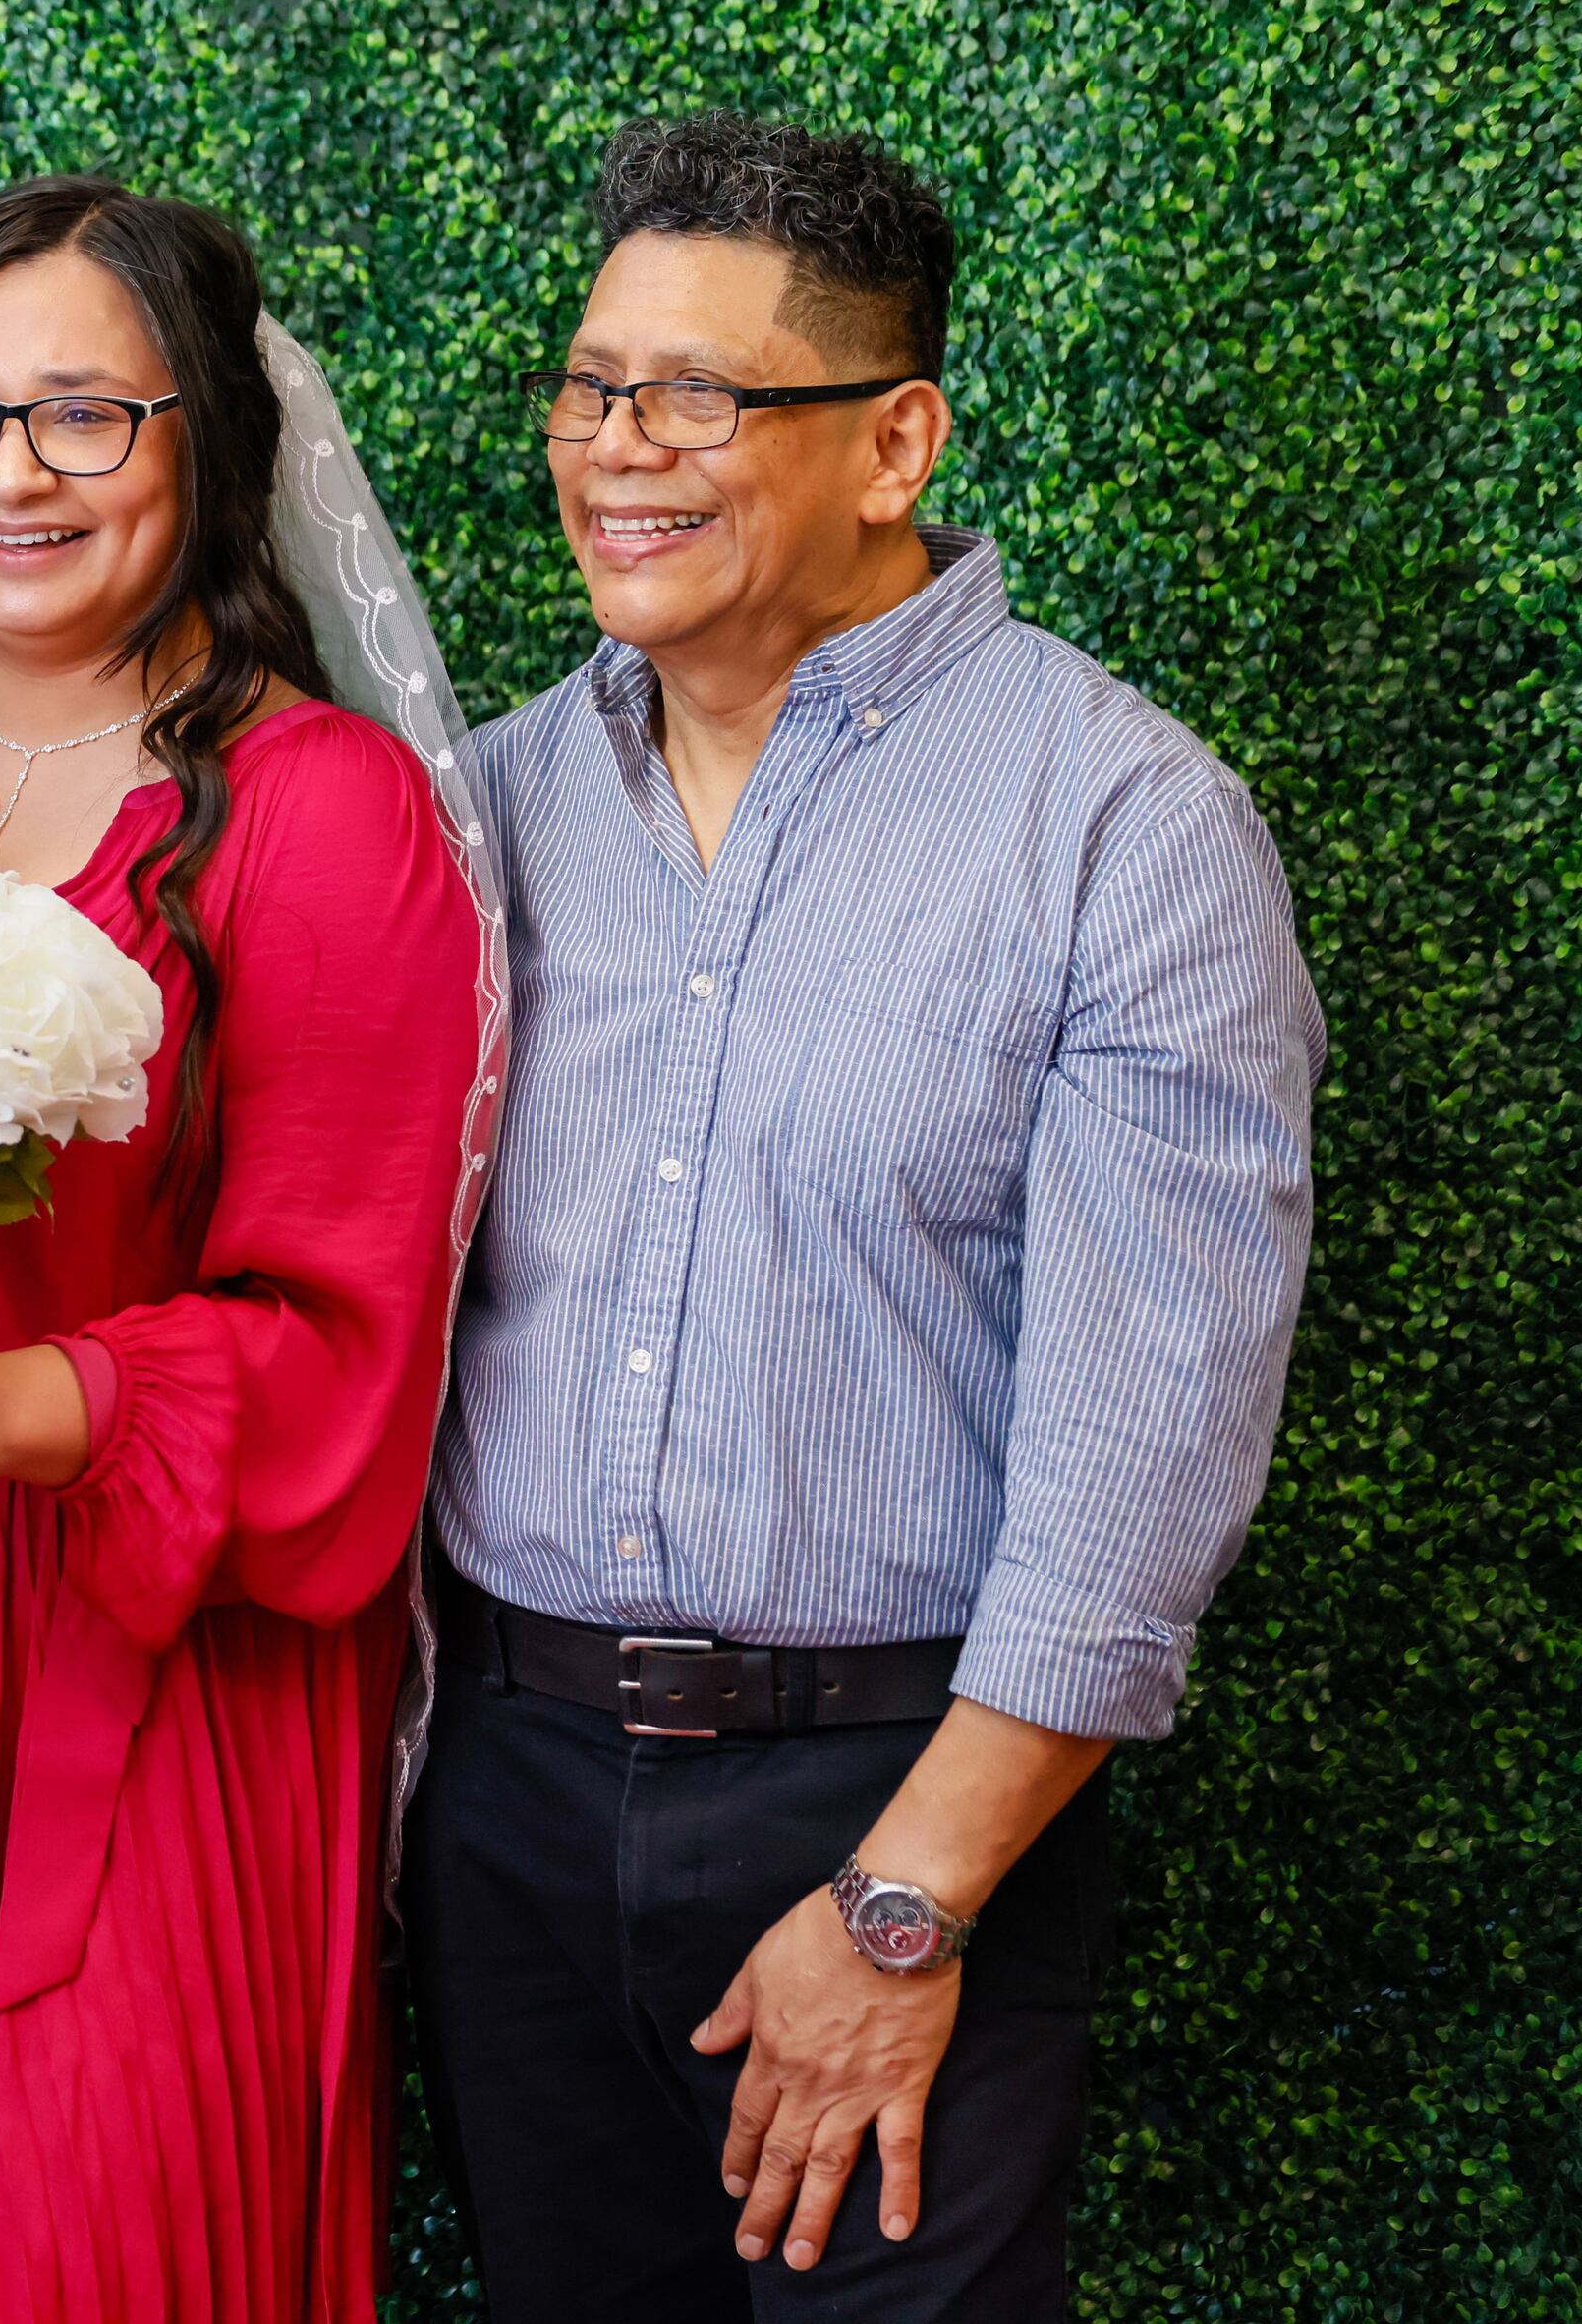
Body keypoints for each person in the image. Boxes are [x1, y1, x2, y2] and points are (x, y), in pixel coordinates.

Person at [406, 111, 1325, 2320]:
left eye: (695, 395)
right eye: (590, 387)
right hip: (508, 1797)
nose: (615, 449)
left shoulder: (1123, 824)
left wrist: (902, 1909)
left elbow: (1142, 1464)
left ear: (894, 442)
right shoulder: (490, 802)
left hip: (897, 1797)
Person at [0, 179, 500, 2322]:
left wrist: (16, 1403)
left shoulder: (323, 813)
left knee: (86, 2232)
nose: (10, 475)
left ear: (205, 438)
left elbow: (349, 1339)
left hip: (142, 1653)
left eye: (83, 415)